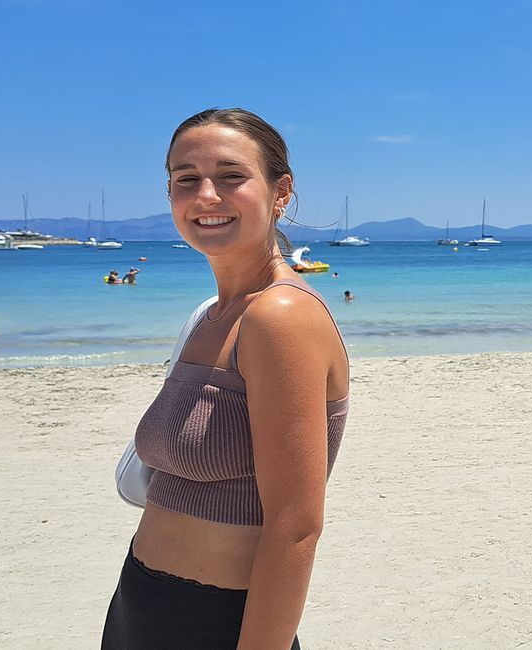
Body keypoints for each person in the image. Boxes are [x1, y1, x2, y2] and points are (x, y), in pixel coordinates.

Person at [102, 108, 350, 649]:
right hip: (137, 606)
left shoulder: (281, 316)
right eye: (185, 179)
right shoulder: (212, 316)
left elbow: (295, 526)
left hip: (216, 621)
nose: (206, 195)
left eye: (231, 176)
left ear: (280, 192)